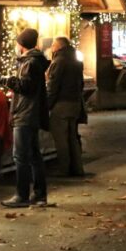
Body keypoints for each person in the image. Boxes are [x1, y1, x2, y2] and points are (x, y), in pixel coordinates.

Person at [2, 28, 49, 207]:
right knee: (34, 155)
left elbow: (26, 87)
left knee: (20, 156)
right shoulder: (35, 61)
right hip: (31, 112)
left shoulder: (30, 63)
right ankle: (39, 194)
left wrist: (10, 81)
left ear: (21, 45)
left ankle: (21, 195)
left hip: (25, 113)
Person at [46, 36, 85, 176]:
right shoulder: (76, 60)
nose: (51, 47)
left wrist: (48, 104)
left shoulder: (59, 61)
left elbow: (53, 86)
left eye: (53, 45)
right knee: (72, 136)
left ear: (59, 46)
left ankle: (64, 169)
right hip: (74, 103)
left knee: (61, 138)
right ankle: (78, 168)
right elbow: (81, 83)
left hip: (61, 104)